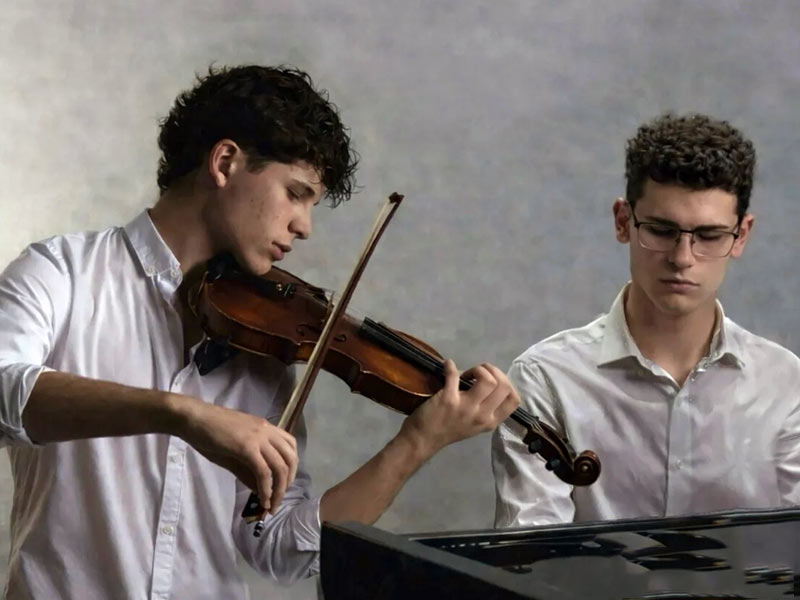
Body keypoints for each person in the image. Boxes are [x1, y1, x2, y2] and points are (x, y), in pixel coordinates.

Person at [0, 65, 520, 599]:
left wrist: (417, 442)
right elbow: (5, 391)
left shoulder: (264, 341)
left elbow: (281, 547)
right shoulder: (60, 272)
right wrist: (183, 413)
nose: (304, 226)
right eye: (295, 194)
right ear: (225, 162)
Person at [492, 112, 800, 528]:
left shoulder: (786, 385)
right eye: (660, 230)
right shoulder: (546, 379)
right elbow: (528, 569)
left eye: (709, 236)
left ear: (741, 235)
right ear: (623, 221)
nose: (682, 258)